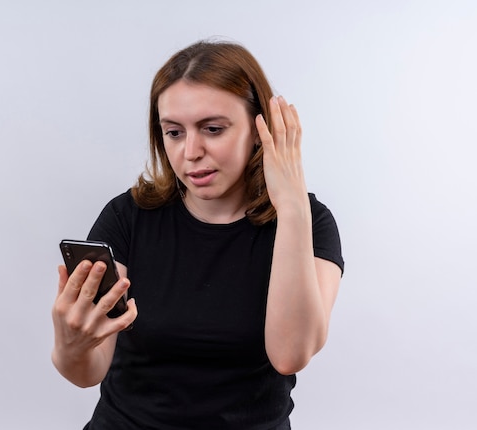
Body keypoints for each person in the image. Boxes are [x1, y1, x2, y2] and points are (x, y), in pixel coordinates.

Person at [51, 40, 344, 430]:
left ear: (260, 131)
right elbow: (86, 373)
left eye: (213, 129)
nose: (191, 151)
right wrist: (70, 344)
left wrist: (291, 207)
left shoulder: (309, 222)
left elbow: (290, 354)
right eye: (174, 132)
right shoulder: (127, 217)